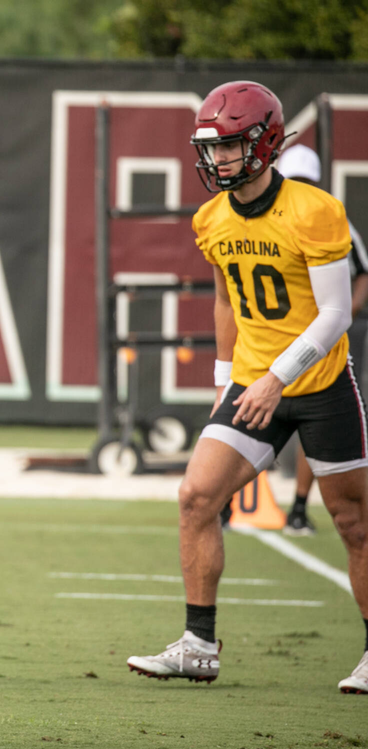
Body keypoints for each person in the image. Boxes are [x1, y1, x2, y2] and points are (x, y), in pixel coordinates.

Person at [126, 81, 368, 695]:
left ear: (262, 143)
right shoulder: (212, 218)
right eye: (211, 149)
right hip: (253, 382)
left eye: (229, 147)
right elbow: (227, 302)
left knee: (354, 522)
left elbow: (337, 313)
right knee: (196, 496)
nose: (217, 160)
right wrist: (224, 379)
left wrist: (276, 378)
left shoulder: (314, 210)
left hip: (318, 384)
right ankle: (199, 646)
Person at [272, 144, 368, 537]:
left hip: (321, 343)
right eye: (293, 182)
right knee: (251, 417)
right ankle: (228, 504)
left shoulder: (334, 222)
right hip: (274, 336)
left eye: (305, 183)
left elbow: (363, 272)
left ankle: (297, 507)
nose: (299, 190)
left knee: (315, 424)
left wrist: (346, 314)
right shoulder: (265, 219)